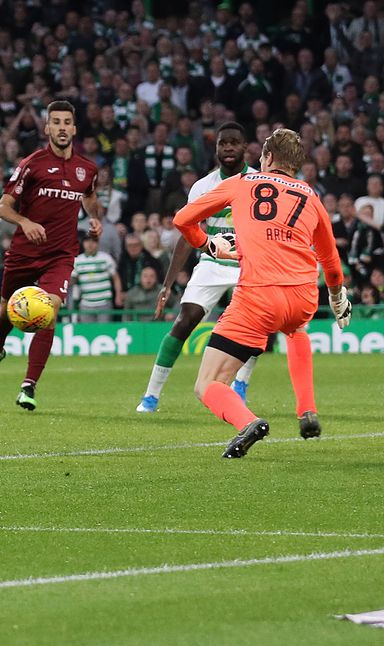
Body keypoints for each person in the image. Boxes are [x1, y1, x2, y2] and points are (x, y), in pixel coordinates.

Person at [174, 129, 350, 458]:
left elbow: (183, 219)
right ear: (296, 164)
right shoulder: (311, 196)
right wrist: (338, 298)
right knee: (296, 329)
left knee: (207, 384)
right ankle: (307, 410)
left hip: (257, 297)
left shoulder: (242, 183)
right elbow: (331, 263)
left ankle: (248, 421)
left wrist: (209, 244)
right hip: (302, 295)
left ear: (267, 158)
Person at [0, 100, 102, 411]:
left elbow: (90, 197)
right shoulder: (32, 164)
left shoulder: (88, 169)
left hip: (61, 253)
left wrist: (94, 218)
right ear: (47, 128)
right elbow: (2, 206)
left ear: (74, 128)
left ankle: (28, 387)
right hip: (25, 252)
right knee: (4, 311)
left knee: (48, 312)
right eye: (56, 122)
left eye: (67, 122)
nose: (62, 127)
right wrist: (25, 222)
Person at [137, 123, 258, 413]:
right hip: (213, 262)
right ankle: (151, 395)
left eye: (234, 142)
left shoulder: (259, 182)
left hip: (249, 263)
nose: (228, 148)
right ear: (216, 148)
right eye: (223, 143)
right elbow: (187, 232)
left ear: (245, 148)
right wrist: (166, 285)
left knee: (254, 325)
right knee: (185, 320)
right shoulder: (203, 186)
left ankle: (240, 386)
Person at [71, 232, 121, 322]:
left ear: (97, 243)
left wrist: (118, 295)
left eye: (93, 241)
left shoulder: (106, 258)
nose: (90, 244)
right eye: (87, 241)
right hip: (86, 303)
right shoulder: (77, 261)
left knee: (105, 332)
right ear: (83, 243)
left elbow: (116, 278)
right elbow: (73, 280)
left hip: (104, 302)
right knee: (88, 333)